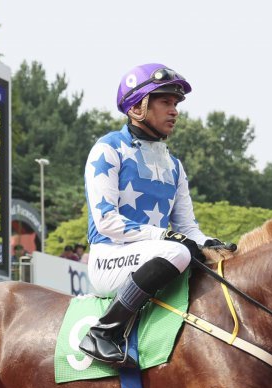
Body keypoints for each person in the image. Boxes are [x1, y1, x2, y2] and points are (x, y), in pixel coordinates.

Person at [79, 63, 237, 368]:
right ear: (138, 107)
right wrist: (164, 236)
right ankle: (104, 332)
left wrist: (214, 244)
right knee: (178, 252)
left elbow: (188, 227)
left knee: (211, 258)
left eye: (176, 104)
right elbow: (107, 222)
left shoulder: (174, 165)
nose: (174, 111)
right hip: (109, 258)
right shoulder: (108, 149)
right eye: (165, 102)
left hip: (156, 254)